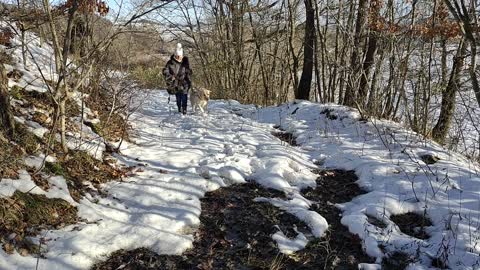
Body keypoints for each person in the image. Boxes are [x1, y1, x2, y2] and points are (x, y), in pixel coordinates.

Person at [163, 43, 192, 115]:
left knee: (184, 96)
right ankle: (179, 108)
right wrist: (170, 77)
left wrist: (189, 74)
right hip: (175, 83)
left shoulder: (185, 63)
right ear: (175, 55)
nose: (179, 57)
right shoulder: (170, 63)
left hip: (184, 82)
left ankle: (184, 109)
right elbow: (165, 71)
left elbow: (189, 71)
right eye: (178, 56)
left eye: (181, 56)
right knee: (178, 97)